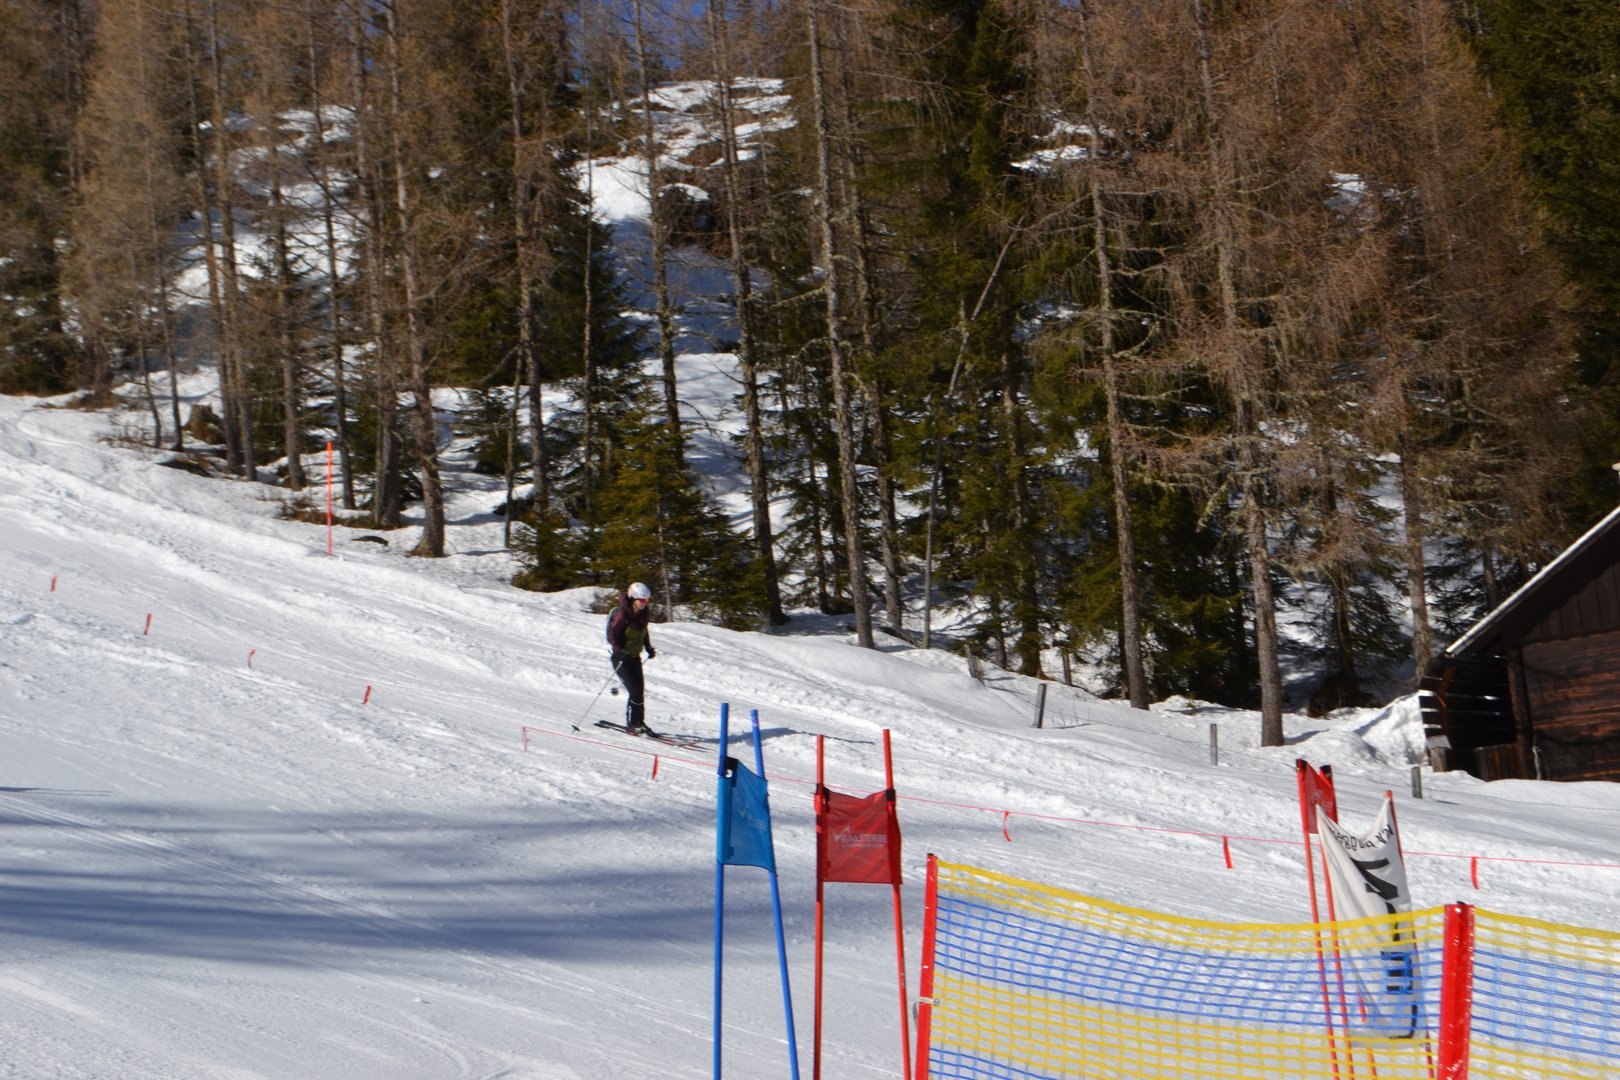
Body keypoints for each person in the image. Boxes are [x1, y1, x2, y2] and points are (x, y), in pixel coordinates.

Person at [606, 581, 656, 733]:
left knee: (639, 692)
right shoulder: (622, 615)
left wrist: (648, 647)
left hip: (634, 658)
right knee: (634, 691)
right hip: (621, 659)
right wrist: (620, 651)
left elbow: (644, 631)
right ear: (633, 599)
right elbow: (611, 636)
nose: (645, 603)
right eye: (642, 600)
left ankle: (639, 721)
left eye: (647, 600)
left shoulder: (643, 613)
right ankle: (632, 723)